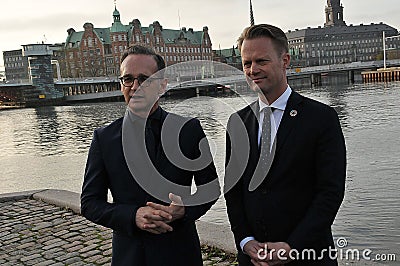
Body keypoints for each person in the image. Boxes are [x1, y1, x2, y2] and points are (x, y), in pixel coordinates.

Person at [81, 44, 219, 265]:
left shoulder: (189, 130)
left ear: (162, 85)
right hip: (130, 256)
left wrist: (184, 210)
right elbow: (89, 203)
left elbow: (210, 188)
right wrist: (132, 215)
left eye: (145, 79)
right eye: (128, 79)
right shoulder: (104, 138)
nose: (135, 86)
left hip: (181, 254)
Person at [224, 24, 346, 266]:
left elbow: (330, 193)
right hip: (253, 258)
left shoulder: (321, 118)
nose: (253, 70)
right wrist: (245, 240)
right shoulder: (236, 122)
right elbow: (233, 191)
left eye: (261, 61)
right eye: (247, 63)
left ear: (285, 60)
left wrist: (292, 247)